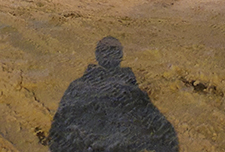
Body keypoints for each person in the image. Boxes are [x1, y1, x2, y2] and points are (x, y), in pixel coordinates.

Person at [49, 36, 179, 152]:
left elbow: (56, 135)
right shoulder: (133, 93)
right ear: (121, 57)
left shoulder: (77, 88)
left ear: (97, 56)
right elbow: (167, 137)